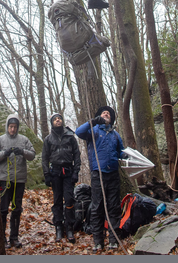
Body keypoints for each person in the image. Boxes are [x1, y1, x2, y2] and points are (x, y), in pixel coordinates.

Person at [74, 106, 127, 252]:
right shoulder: (93, 131)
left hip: (113, 174)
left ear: (111, 119)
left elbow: (120, 152)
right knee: (97, 207)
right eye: (104, 113)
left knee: (113, 207)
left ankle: (113, 240)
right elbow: (78, 132)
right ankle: (98, 241)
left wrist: (125, 156)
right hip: (98, 174)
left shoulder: (115, 135)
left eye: (108, 114)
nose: (106, 114)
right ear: (99, 117)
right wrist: (93, 121)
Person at [0, 115, 36, 249]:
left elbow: (32, 155)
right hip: (4, 180)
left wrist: (22, 152)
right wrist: (4, 153)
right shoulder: (0, 140)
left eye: (15, 127)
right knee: (3, 209)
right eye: (10, 127)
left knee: (17, 209)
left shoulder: (24, 140)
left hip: (19, 180)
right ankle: (1, 237)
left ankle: (14, 238)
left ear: (17, 127)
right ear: (7, 126)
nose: (12, 129)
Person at [41, 113, 81, 243]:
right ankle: (58, 227)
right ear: (52, 122)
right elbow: (45, 158)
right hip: (55, 172)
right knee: (57, 200)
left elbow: (77, 155)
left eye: (59, 119)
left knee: (69, 199)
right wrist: (47, 174)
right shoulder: (48, 139)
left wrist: (76, 172)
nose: (58, 120)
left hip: (68, 172)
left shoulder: (70, 136)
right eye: (55, 119)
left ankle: (69, 227)